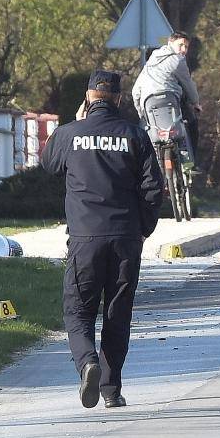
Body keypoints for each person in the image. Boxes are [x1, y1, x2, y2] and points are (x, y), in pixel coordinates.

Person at [42, 70, 166, 409]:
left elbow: (48, 163)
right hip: (126, 238)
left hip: (84, 238)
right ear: (119, 99)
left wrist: (73, 122)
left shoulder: (70, 134)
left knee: (77, 309)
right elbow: (154, 189)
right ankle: (111, 391)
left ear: (87, 98)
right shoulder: (135, 135)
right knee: (117, 312)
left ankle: (87, 363)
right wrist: (143, 228)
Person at [131, 33, 200, 166]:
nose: (183, 50)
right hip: (170, 101)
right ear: (170, 43)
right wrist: (196, 102)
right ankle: (188, 165)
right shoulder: (178, 60)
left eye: (186, 47)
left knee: (147, 137)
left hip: (149, 105)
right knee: (189, 126)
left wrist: (141, 113)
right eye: (181, 45)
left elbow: (135, 91)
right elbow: (188, 84)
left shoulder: (150, 62)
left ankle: (149, 169)